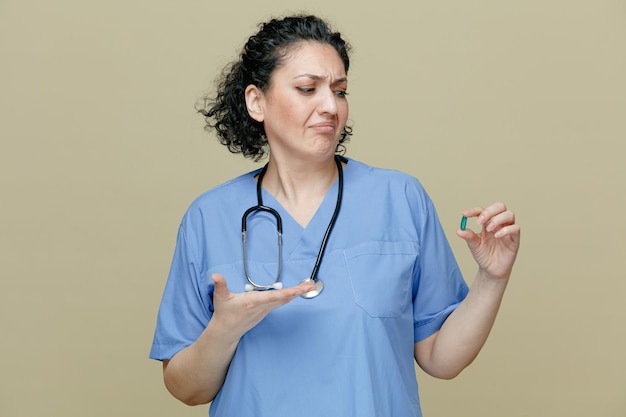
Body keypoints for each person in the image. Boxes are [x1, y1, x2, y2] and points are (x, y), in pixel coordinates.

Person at [149, 14, 520, 417]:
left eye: (339, 91)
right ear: (257, 101)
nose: (330, 106)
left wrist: (491, 279)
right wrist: (225, 328)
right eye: (307, 89)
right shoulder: (208, 217)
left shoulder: (400, 198)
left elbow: (440, 359)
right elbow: (186, 389)